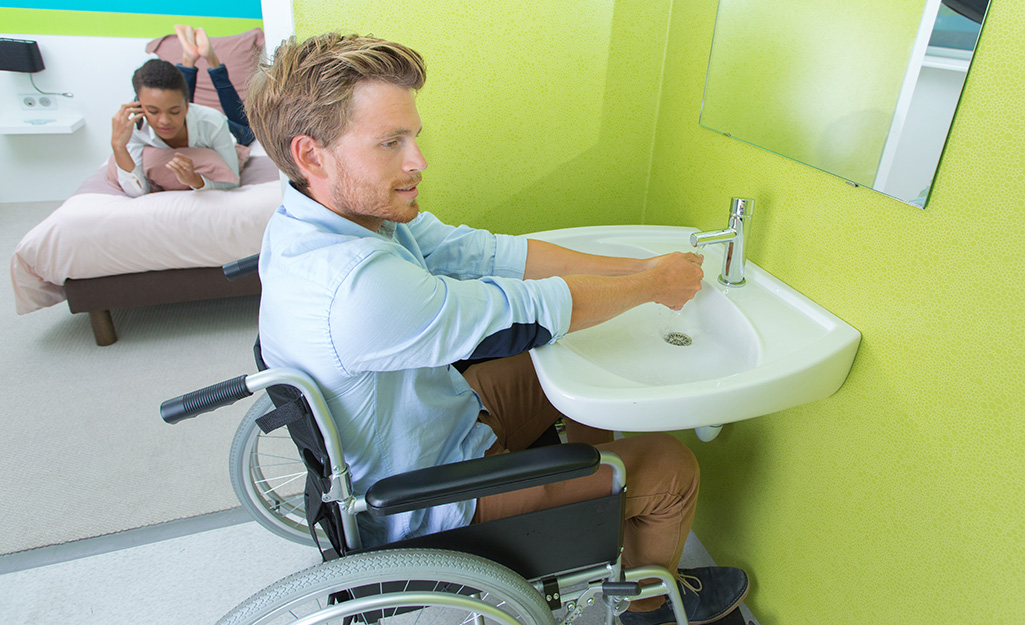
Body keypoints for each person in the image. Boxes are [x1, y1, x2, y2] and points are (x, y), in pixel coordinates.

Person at [245, 32, 750, 625]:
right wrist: (649, 288)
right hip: (433, 501)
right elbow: (533, 306)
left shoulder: (331, 216)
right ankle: (647, 604)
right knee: (672, 468)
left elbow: (490, 256)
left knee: (585, 344)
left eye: (414, 137)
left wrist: (645, 271)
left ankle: (602, 510)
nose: (418, 162)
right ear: (311, 155)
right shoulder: (358, 287)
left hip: (432, 424)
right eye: (390, 143)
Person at [110, 58, 240, 196]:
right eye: (153, 111)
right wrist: (118, 147)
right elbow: (137, 191)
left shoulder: (212, 123)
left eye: (174, 111)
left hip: (235, 133)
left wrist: (196, 180)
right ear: (138, 105)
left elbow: (233, 182)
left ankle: (207, 60)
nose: (165, 121)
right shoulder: (134, 129)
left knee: (246, 128)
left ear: (187, 104)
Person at [173, 24, 255, 146]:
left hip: (205, 128)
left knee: (181, 119)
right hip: (222, 130)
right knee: (247, 128)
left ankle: (190, 60)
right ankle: (210, 61)